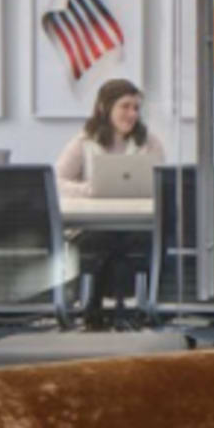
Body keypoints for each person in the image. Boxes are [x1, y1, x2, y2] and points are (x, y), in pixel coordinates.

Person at [55, 77, 154, 316]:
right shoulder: (83, 143)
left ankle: (123, 311)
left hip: (137, 226)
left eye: (136, 108)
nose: (132, 113)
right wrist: (87, 190)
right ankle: (96, 310)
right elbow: (56, 181)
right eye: (125, 106)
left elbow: (161, 182)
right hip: (93, 226)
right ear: (105, 107)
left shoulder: (148, 143)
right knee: (98, 242)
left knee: (130, 243)